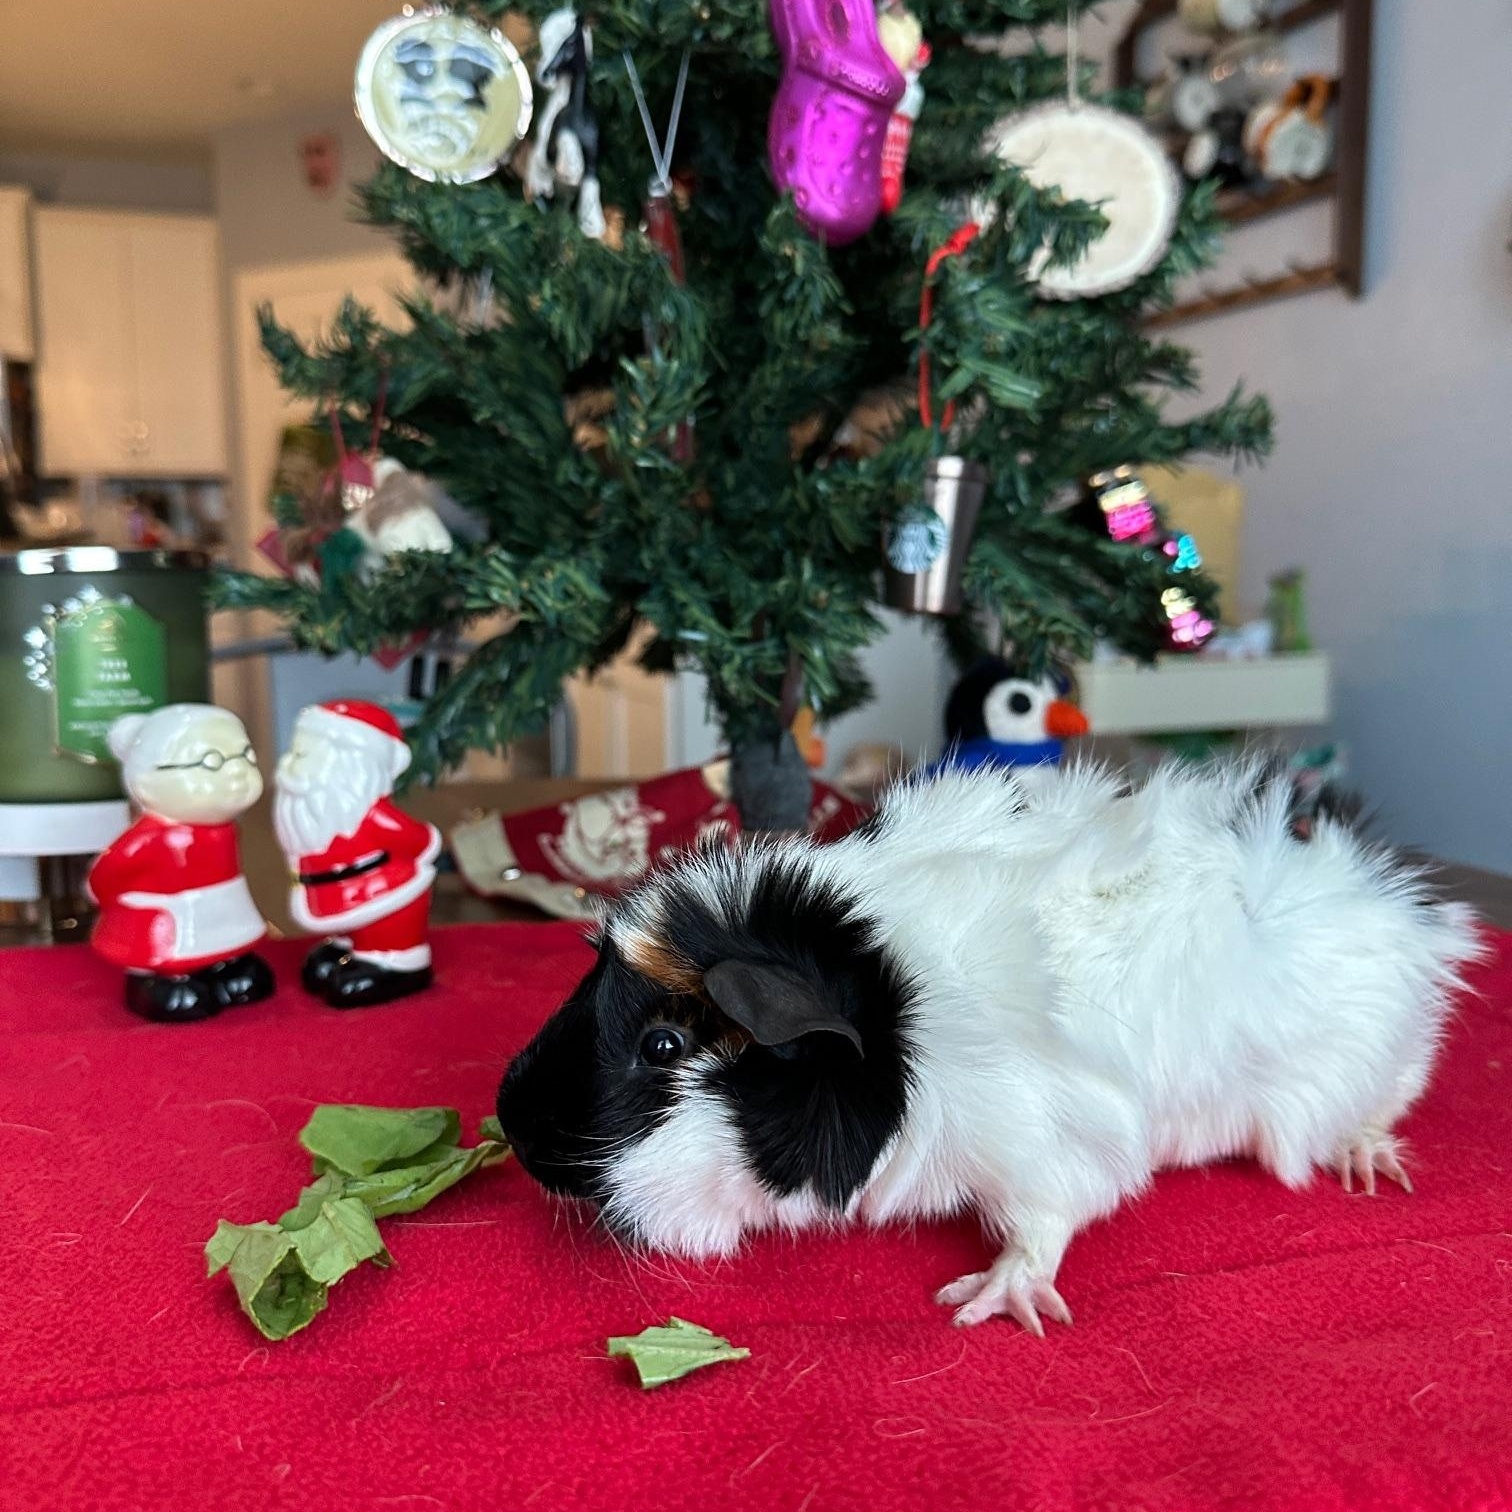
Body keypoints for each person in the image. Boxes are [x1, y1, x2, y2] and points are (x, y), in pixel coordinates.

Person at [89, 704, 273, 1023]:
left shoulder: (227, 829)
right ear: (146, 780)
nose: (237, 771)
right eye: (210, 762)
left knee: (227, 939)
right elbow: (108, 874)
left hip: (223, 904)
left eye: (245, 756)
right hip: (167, 918)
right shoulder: (148, 838)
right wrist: (108, 900)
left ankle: (224, 966)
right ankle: (161, 982)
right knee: (176, 955)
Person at [274, 699, 440, 1008]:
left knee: (383, 929)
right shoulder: (305, 809)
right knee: (335, 945)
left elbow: (423, 842)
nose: (295, 762)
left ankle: (392, 961)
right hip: (329, 891)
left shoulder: (374, 817)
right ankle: (344, 945)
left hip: (383, 894)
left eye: (308, 753)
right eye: (297, 751)